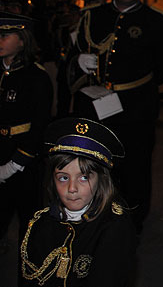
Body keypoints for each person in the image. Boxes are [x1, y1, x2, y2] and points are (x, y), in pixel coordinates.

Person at [70, 0, 163, 232]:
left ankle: (133, 219)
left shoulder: (156, 20)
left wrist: (142, 87)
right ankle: (97, 211)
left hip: (137, 105)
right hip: (97, 103)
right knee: (97, 160)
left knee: (136, 164)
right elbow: (75, 51)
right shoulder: (93, 17)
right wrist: (77, 60)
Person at [20, 117, 136, 286]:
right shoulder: (39, 223)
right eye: (63, 178)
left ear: (101, 179)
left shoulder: (115, 228)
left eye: (83, 177)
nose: (71, 188)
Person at [0, 12, 53, 245]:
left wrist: (15, 164)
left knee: (28, 227)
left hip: (22, 161)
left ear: (22, 40)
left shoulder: (36, 77)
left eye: (5, 35)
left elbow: (40, 124)